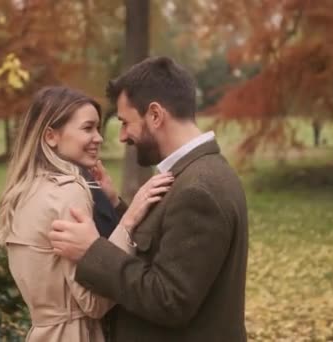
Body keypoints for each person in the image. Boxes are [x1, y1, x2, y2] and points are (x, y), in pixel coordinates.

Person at [49, 57, 249, 341]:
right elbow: (167, 243)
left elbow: (170, 300)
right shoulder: (198, 172)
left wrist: (91, 251)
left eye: (125, 122)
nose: (121, 137)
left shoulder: (198, 189)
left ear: (155, 115)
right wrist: (118, 205)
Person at [0, 86, 173, 342]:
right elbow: (94, 303)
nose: (99, 138)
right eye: (88, 128)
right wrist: (129, 219)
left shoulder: (25, 190)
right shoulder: (69, 192)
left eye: (98, 128)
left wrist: (112, 202)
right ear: (51, 136)